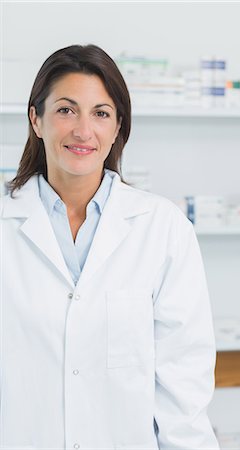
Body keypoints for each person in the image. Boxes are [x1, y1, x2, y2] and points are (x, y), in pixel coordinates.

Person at [0, 44, 219, 450]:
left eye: (101, 113)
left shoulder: (163, 229)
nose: (84, 130)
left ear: (118, 127)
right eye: (66, 110)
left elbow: (183, 385)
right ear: (36, 119)